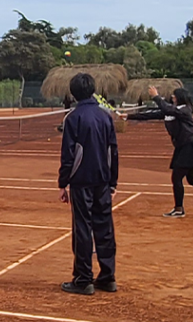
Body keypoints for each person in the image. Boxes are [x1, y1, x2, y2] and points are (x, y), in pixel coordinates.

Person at [124, 86, 193, 218]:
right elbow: (152, 114)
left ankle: (179, 209)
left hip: (190, 146)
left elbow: (167, 108)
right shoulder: (172, 110)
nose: (172, 97)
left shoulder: (185, 110)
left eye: (174, 96)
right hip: (184, 146)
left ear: (179, 97)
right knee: (192, 179)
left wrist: (156, 96)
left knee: (177, 177)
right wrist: (128, 116)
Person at [58, 73, 119, 295]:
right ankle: (107, 276)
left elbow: (69, 155)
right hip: (102, 181)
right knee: (104, 227)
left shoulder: (73, 118)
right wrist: (113, 182)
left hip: (82, 182)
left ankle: (84, 279)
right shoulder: (105, 117)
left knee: (83, 228)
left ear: (74, 94)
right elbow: (113, 151)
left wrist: (63, 183)